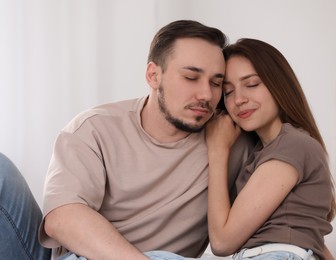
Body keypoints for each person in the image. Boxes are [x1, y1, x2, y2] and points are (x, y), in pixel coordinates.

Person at [0, 20, 253, 260]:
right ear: (153, 75)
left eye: (216, 83)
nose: (206, 94)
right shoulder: (96, 128)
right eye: (190, 77)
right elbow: (61, 218)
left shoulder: (228, 139)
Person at [204, 38, 336, 260]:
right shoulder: (262, 152)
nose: (238, 99)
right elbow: (311, 240)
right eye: (228, 92)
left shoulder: (292, 145)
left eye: (252, 84)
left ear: (279, 85)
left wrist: (217, 150)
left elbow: (222, 242)